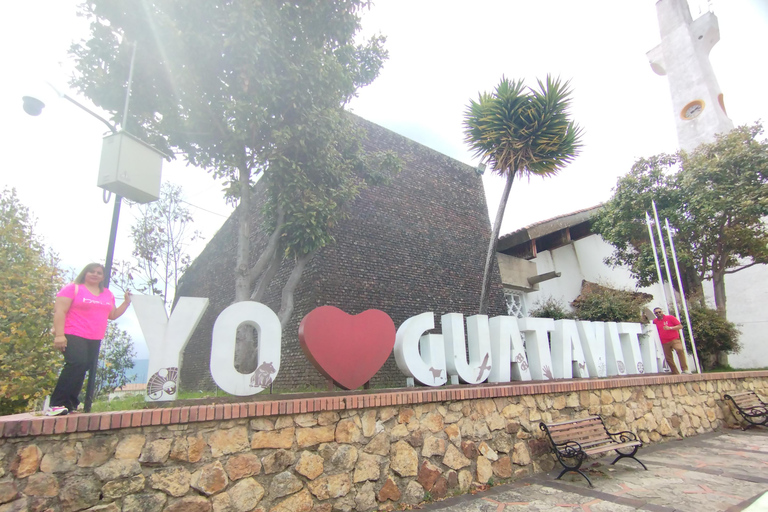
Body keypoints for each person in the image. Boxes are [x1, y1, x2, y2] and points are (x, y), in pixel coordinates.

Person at [46, 263, 132, 416]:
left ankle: (70, 404)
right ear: (85, 273)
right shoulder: (73, 288)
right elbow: (60, 311)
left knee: (83, 366)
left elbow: (112, 315)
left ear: (103, 277)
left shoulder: (107, 293)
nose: (95, 274)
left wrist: (126, 302)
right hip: (73, 332)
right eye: (91, 271)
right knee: (75, 363)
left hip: (94, 336)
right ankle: (56, 404)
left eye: (99, 272)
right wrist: (59, 335)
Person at [652, 307, 690, 375]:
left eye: (659, 312)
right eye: (656, 313)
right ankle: (675, 372)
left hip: (674, 339)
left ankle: (685, 369)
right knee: (668, 358)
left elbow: (680, 326)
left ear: (662, 312)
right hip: (664, 342)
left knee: (679, 350)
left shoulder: (670, 318)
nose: (658, 314)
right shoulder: (655, 321)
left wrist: (670, 328)